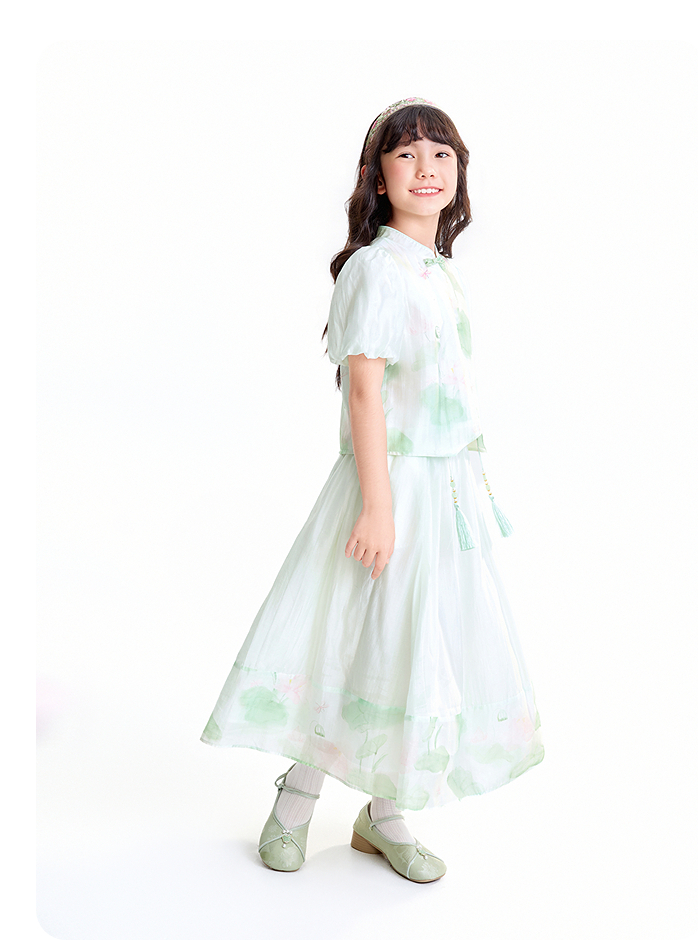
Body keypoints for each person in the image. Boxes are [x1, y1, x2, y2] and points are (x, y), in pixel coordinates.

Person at [200, 96, 544, 883]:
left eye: (441, 155)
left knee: (417, 648)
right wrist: (379, 508)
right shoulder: (375, 267)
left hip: (445, 491)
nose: (426, 169)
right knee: (355, 637)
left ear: (459, 174)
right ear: (378, 177)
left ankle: (383, 815)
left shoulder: (438, 271)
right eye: (407, 154)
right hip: (389, 486)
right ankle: (295, 802)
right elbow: (364, 393)